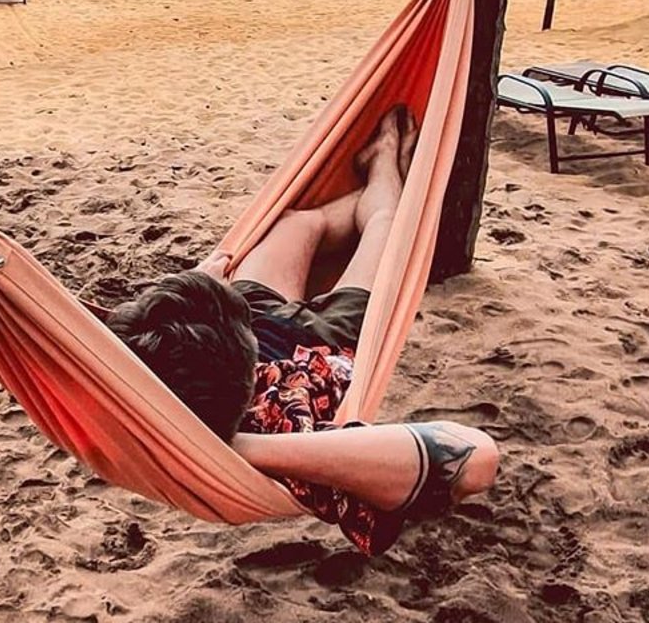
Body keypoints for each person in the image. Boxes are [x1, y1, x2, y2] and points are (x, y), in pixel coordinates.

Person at [107, 108, 499, 555]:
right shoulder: (283, 426)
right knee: (386, 224)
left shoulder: (141, 371)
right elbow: (478, 459)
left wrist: (203, 281)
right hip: (327, 339)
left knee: (297, 221)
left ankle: (381, 187)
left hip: (232, 326)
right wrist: (238, 448)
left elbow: (107, 344)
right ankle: (386, 166)